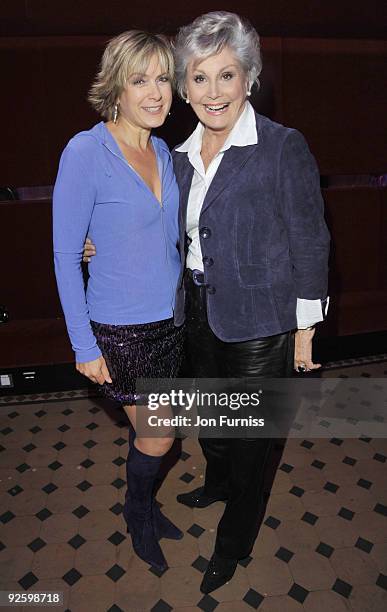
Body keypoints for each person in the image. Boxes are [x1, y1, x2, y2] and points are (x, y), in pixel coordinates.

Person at [84, 11, 330, 593]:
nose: (213, 91)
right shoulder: (177, 155)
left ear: (250, 79)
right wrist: (101, 242)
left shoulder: (280, 147)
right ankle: (217, 480)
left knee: (250, 440)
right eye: (198, 77)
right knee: (213, 422)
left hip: (259, 323)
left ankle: (234, 539)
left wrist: (304, 330)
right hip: (192, 312)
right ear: (184, 86)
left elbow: (310, 238)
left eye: (227, 75)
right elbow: (154, 224)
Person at [53, 31, 185, 572]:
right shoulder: (87, 150)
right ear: (117, 87)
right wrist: (83, 344)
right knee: (159, 436)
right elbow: (64, 257)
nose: (156, 93)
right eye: (140, 80)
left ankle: (144, 505)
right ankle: (137, 511)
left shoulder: (164, 151)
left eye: (163, 79)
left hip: (170, 321)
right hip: (120, 328)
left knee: (158, 431)